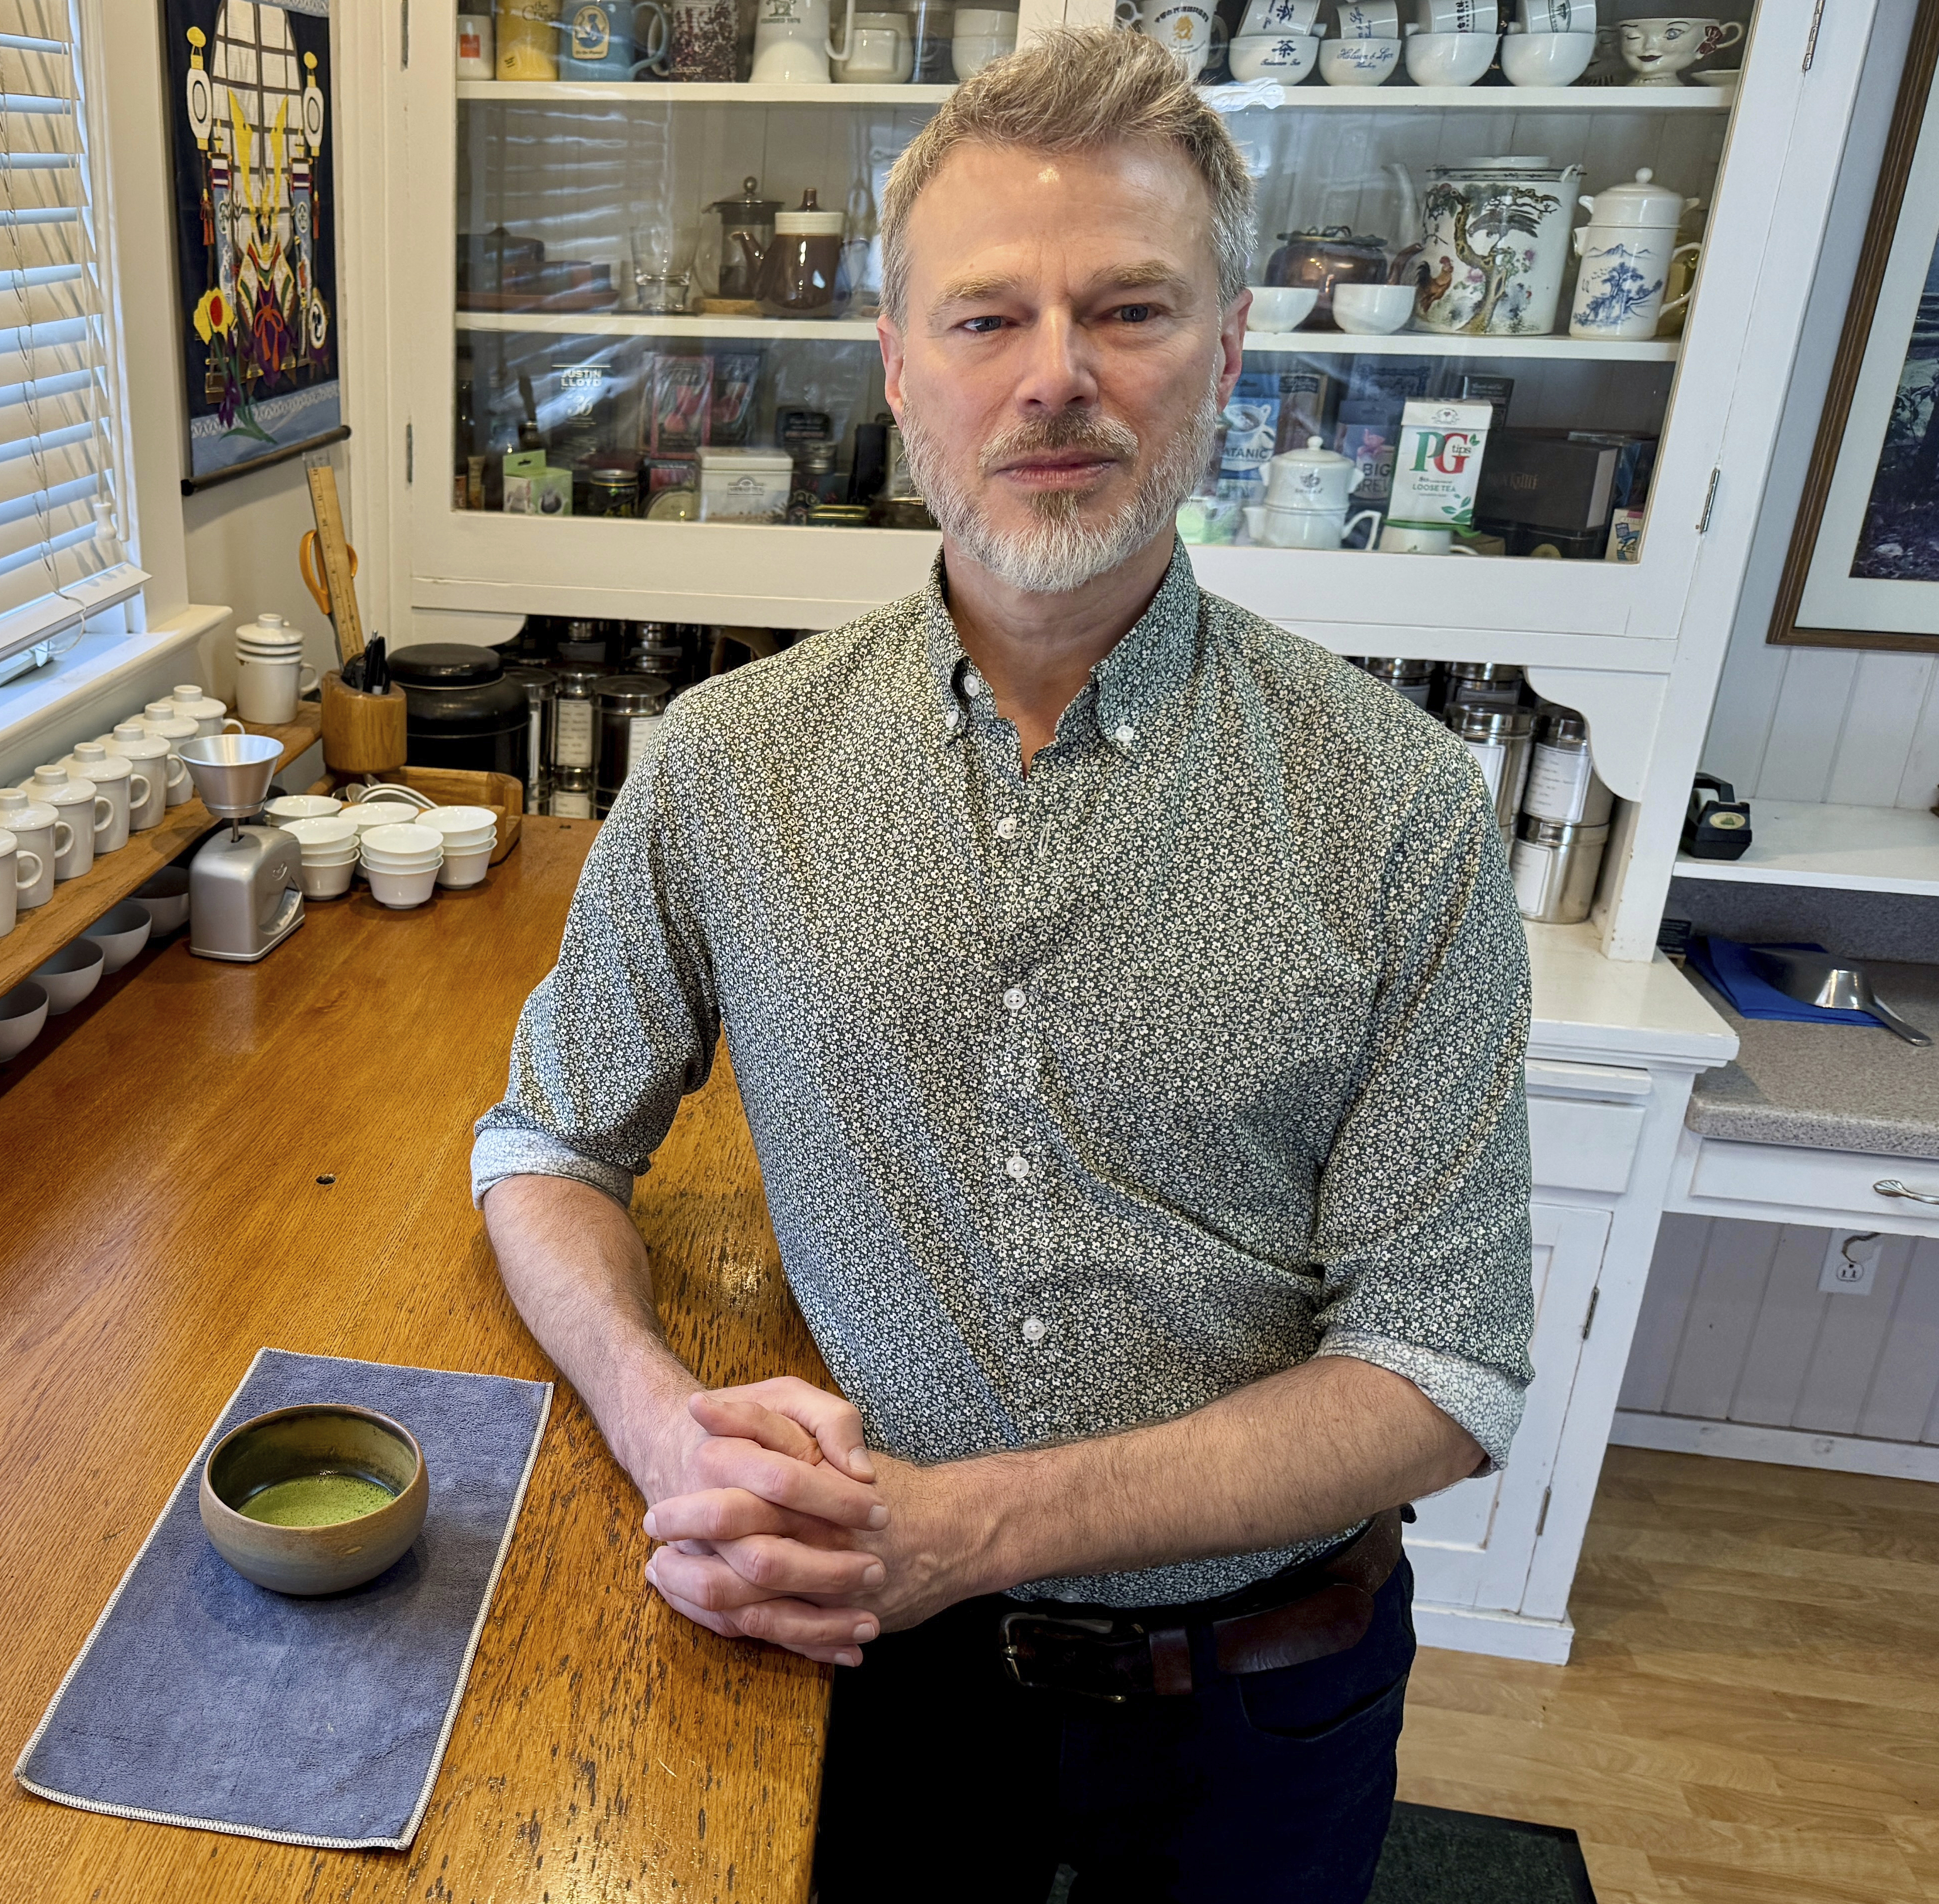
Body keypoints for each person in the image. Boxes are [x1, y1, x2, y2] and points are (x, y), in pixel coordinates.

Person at [468, 28, 1534, 1902]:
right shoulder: (728, 763)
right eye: (985, 320)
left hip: (1258, 1701)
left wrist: (968, 1527)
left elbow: (1437, 1367)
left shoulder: (1405, 812)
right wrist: (662, 1427)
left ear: (1224, 355)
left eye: (1128, 309)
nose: (1057, 377)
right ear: (895, 369)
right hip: (867, 1683)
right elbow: (543, 1148)